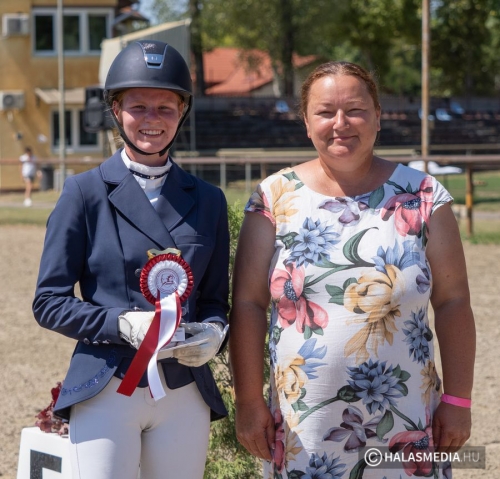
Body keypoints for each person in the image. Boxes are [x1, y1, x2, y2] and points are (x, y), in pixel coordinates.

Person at [229, 61, 475, 478]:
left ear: (378, 116)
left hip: (406, 422)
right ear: (306, 121)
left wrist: (458, 401)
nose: (340, 123)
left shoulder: (423, 195)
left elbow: (453, 302)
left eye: (355, 110)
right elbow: (248, 304)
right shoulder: (273, 197)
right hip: (303, 427)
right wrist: (249, 402)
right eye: (325, 112)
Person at [33, 40, 229, 479]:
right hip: (107, 384)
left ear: (182, 112)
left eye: (165, 108)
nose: (152, 119)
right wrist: (120, 323)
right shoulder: (83, 193)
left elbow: (215, 299)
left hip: (182, 387)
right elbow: (48, 302)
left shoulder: (209, 200)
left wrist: (215, 332)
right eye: (138, 107)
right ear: (117, 110)